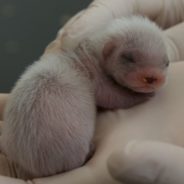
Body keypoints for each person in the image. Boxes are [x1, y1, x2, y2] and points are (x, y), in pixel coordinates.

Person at [0, 0, 184, 183]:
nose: (153, 77)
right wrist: (138, 98)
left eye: (165, 64)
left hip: (22, 147)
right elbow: (109, 97)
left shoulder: (83, 58)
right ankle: (71, 158)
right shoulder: (90, 70)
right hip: (61, 152)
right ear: (107, 51)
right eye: (129, 59)